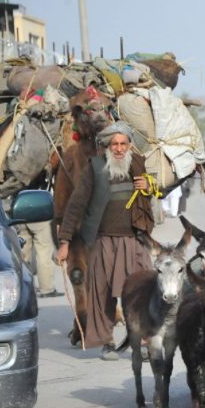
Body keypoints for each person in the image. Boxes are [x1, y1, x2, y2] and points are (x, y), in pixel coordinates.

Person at [55, 122, 154, 360]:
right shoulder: (95, 168)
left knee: (143, 290)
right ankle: (107, 342)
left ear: (129, 145)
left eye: (123, 144)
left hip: (134, 239)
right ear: (107, 147)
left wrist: (149, 187)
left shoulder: (138, 165)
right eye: (114, 144)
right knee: (102, 293)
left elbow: (154, 194)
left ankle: (143, 340)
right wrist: (65, 242)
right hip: (103, 240)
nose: (119, 149)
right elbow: (75, 206)